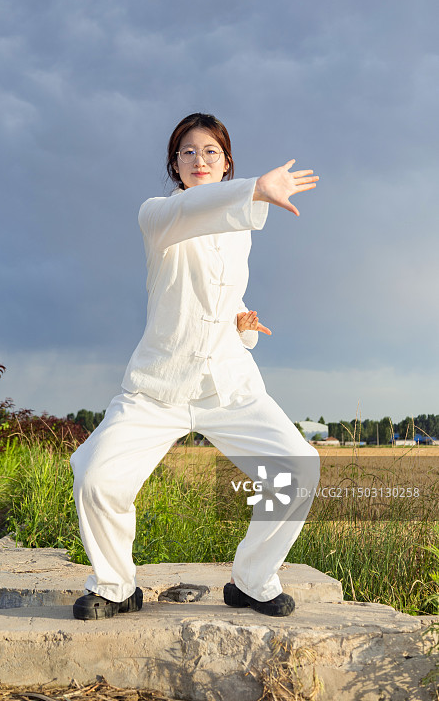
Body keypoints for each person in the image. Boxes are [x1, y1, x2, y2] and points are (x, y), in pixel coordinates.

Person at [70, 112, 320, 621]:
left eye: (211, 151)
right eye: (188, 151)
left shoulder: (238, 229)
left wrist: (244, 322)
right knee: (96, 477)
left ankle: (252, 580)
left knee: (297, 468)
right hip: (157, 387)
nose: (199, 159)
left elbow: (224, 294)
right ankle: (117, 586)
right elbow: (202, 210)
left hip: (227, 385)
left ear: (226, 162)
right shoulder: (158, 214)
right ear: (174, 164)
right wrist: (257, 186)